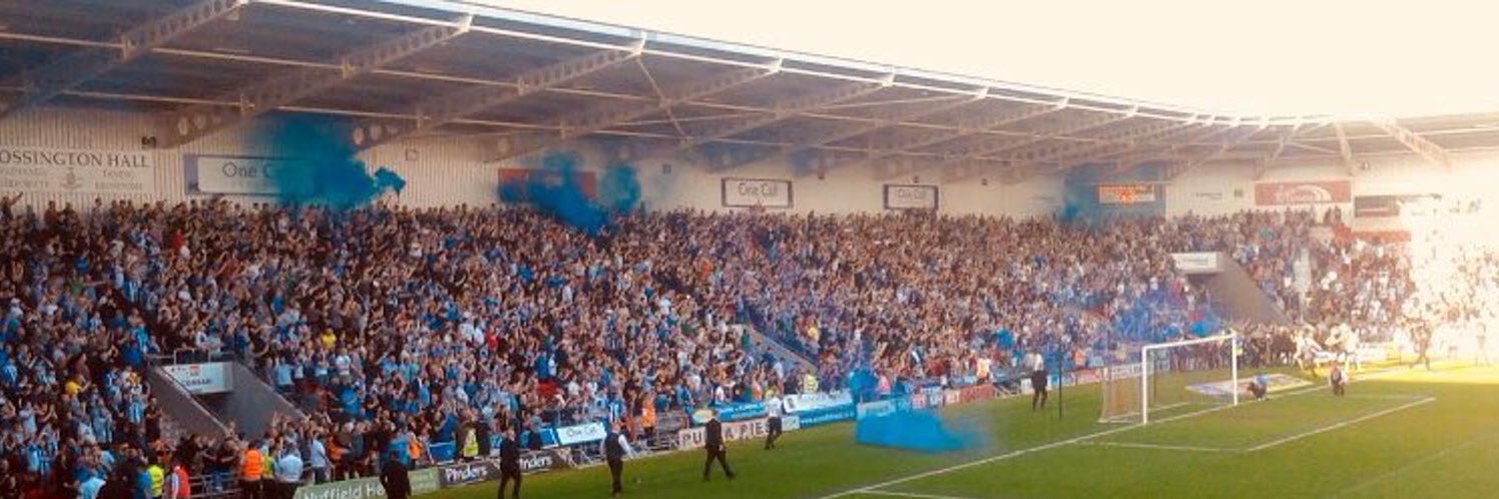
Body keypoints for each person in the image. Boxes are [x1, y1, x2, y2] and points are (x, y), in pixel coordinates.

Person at [599, 420, 634, 497]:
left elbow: (602, 447)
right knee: (617, 473)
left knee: (613, 473)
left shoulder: (606, 437)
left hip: (610, 458)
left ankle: (619, 487)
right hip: (617, 457)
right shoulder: (620, 437)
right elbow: (626, 447)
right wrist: (630, 456)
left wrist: (602, 456)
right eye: (619, 426)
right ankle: (616, 490)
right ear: (617, 427)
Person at [702, 411, 735, 482]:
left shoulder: (708, 424)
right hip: (717, 445)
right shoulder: (717, 424)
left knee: (709, 462)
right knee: (722, 461)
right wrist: (722, 444)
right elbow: (717, 436)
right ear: (716, 415)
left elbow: (708, 435)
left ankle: (706, 476)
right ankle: (729, 474)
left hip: (710, 445)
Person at [497, 427, 522, 499]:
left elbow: (501, 454)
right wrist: (517, 459)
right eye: (513, 433)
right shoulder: (512, 443)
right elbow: (514, 453)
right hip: (511, 465)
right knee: (518, 479)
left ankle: (500, 495)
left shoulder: (503, 442)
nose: (514, 435)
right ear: (510, 435)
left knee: (504, 481)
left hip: (504, 464)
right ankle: (515, 494)